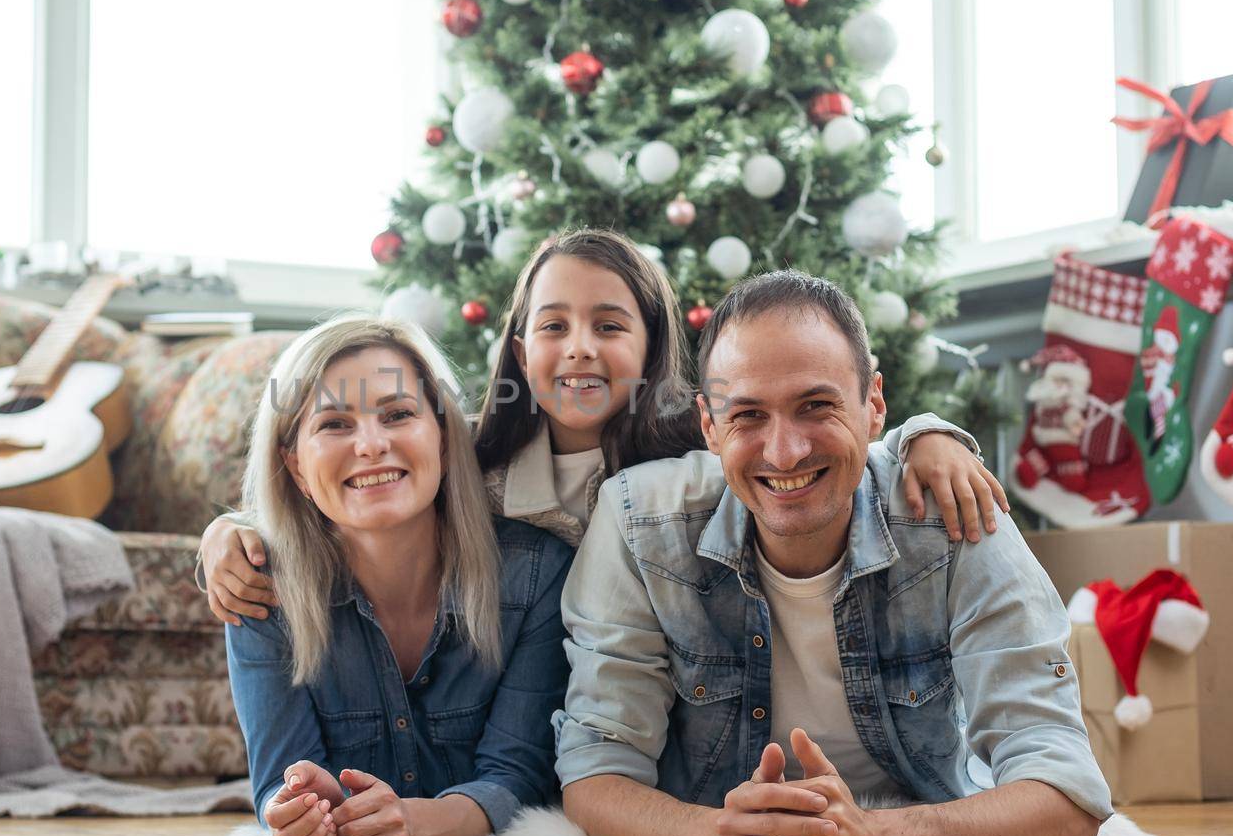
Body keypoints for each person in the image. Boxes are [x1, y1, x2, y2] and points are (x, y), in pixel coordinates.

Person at [556, 271, 1111, 836]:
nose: (785, 451)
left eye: (815, 406)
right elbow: (597, 775)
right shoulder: (640, 522)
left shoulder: (954, 509)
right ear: (710, 427)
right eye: (747, 416)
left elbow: (1066, 800)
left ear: (873, 404)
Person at [201, 230, 1007, 620]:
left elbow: (814, 442)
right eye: (553, 326)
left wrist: (929, 433)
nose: (579, 349)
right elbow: (354, 495)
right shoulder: (470, 464)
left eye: (610, 326)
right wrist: (229, 534)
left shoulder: (701, 456)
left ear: (654, 345)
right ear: (520, 347)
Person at [225, 316, 573, 836]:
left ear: (441, 433)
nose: (371, 445)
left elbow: (517, 772)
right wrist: (303, 815)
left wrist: (417, 825)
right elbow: (276, 783)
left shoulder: (536, 574)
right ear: (295, 465)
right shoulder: (259, 590)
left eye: (398, 414)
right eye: (335, 424)